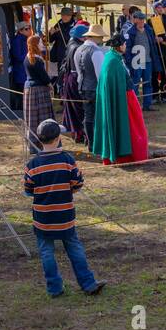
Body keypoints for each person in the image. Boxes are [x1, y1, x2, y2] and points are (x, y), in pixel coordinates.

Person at [23, 119, 105, 298]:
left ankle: (54, 288)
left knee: (46, 252)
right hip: (65, 216)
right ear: (58, 138)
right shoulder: (67, 160)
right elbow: (77, 183)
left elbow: (28, 190)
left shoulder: (32, 165)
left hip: (43, 219)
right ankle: (88, 284)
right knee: (75, 248)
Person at [93, 35, 148, 165]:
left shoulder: (113, 57)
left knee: (134, 127)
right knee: (132, 128)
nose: (125, 46)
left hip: (125, 97)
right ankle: (125, 156)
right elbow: (113, 85)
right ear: (118, 46)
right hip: (123, 99)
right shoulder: (112, 61)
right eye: (123, 44)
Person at [23, 35, 54, 154]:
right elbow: (43, 76)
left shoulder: (27, 58)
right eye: (40, 42)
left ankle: (33, 145)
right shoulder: (36, 59)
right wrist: (49, 84)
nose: (42, 44)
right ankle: (44, 144)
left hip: (29, 90)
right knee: (42, 118)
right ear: (36, 44)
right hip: (39, 91)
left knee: (32, 119)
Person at [8, 19, 30, 111]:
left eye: (29, 28)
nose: (29, 30)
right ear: (20, 30)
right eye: (26, 29)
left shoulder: (25, 39)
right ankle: (20, 110)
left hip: (24, 70)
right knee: (21, 92)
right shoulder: (17, 41)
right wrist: (29, 57)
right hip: (20, 71)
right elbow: (18, 56)